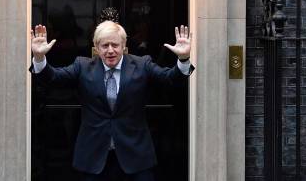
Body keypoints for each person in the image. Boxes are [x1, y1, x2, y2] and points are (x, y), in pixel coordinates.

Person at [30, 20, 194, 181]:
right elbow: (53, 78)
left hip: (135, 156)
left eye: (115, 45)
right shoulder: (82, 66)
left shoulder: (142, 64)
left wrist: (184, 59)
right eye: (104, 45)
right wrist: (39, 58)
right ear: (96, 47)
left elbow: (170, 79)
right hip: (94, 157)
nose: (110, 50)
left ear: (123, 45)